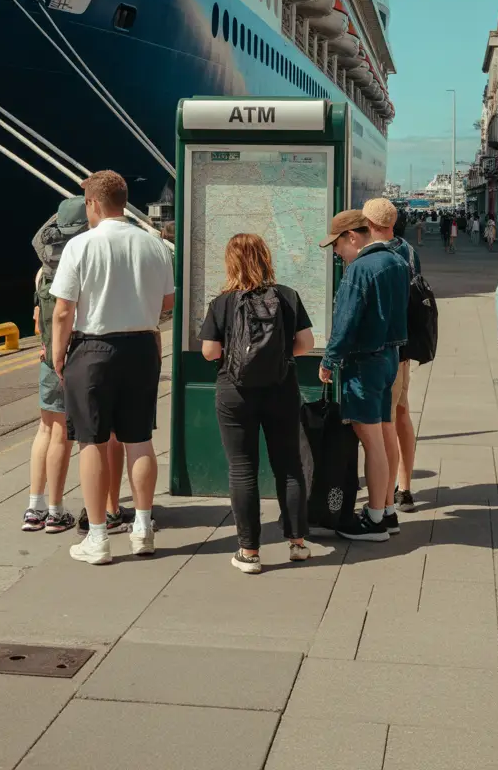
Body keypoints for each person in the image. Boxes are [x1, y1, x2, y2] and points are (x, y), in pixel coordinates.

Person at [51, 170, 174, 566]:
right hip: (141, 347)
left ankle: (99, 536)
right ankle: (143, 529)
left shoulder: (81, 246)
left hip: (92, 348)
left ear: (92, 203)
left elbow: (63, 310)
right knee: (139, 439)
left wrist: (58, 354)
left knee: (91, 441)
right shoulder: (155, 245)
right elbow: (167, 303)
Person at [200, 234, 313, 574]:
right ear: (266, 258)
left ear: (230, 263)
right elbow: (305, 343)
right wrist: (276, 358)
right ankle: (297, 544)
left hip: (235, 393)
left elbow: (210, 352)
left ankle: (249, 552)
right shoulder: (288, 296)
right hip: (281, 388)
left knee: (242, 468)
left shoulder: (222, 302)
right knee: (289, 465)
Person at [318, 209, 409, 542]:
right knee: (384, 438)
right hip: (390, 357)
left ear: (352, 237)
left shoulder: (359, 269)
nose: (337, 253)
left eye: (337, 245)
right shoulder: (397, 261)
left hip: (364, 363)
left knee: (371, 442)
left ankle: (373, 520)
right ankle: (386, 511)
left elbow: (345, 321)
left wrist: (329, 360)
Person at [22, 197, 88, 534]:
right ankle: (56, 510)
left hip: (48, 358)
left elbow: (37, 322)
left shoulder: (42, 271)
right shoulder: (82, 264)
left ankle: (34, 507)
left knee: (45, 429)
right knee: (65, 432)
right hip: (77, 356)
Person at [363, 198, 421, 514]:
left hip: (382, 348)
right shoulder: (409, 252)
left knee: (383, 422)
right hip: (404, 348)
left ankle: (383, 502)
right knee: (401, 413)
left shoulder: (373, 256)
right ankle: (405, 487)